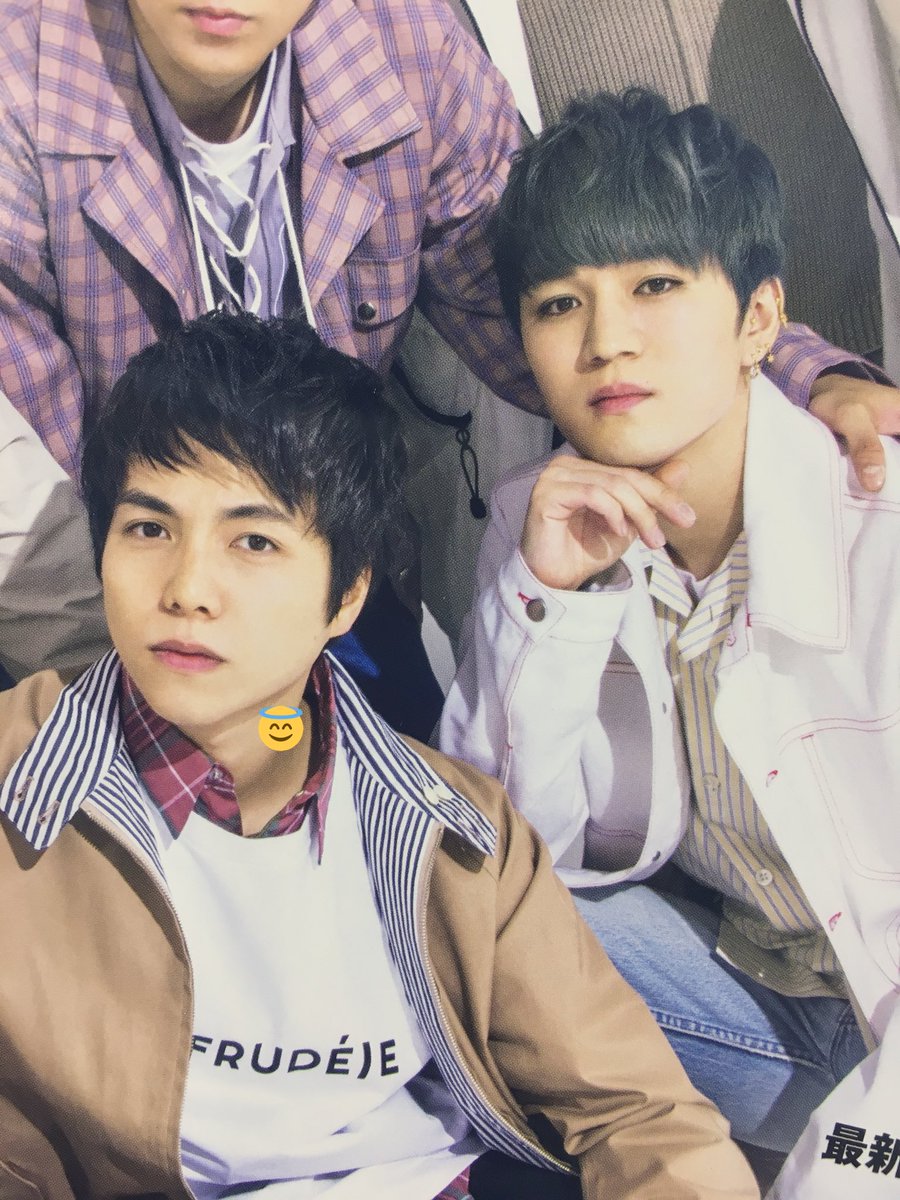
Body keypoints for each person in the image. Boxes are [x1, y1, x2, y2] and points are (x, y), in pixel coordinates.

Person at [0, 310, 760, 1200]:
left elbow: (640, 1113)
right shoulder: (22, 777)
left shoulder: (450, 827)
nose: (188, 589)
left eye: (254, 541)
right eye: (148, 529)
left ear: (348, 594)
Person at [0, 0, 898, 721]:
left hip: (335, 580)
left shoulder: (404, 47)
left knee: (420, 827)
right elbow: (38, 499)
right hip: (117, 592)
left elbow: (556, 281)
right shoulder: (20, 87)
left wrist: (802, 372)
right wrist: (132, 707)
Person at [440, 88, 900, 1172]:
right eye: (559, 304)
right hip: (767, 1009)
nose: (606, 342)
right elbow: (505, 859)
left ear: (759, 320)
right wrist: (549, 604)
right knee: (457, 919)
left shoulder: (878, 524)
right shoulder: (540, 521)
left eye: (654, 285)